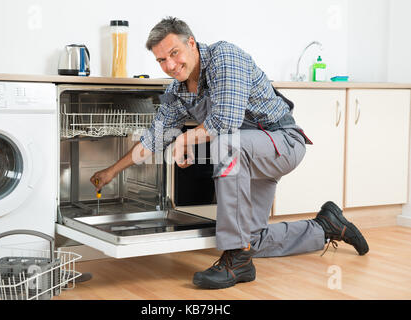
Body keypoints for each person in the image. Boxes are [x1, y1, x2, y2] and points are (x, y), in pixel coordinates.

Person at [90, 17, 369, 289]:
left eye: (174, 53)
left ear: (191, 43)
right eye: (162, 60)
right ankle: (326, 226)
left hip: (282, 143)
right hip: (247, 155)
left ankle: (235, 259)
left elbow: (226, 121)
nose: (171, 65)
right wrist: (110, 172)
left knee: (226, 145)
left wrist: (185, 139)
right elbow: (154, 138)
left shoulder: (225, 56)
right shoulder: (177, 91)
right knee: (253, 240)